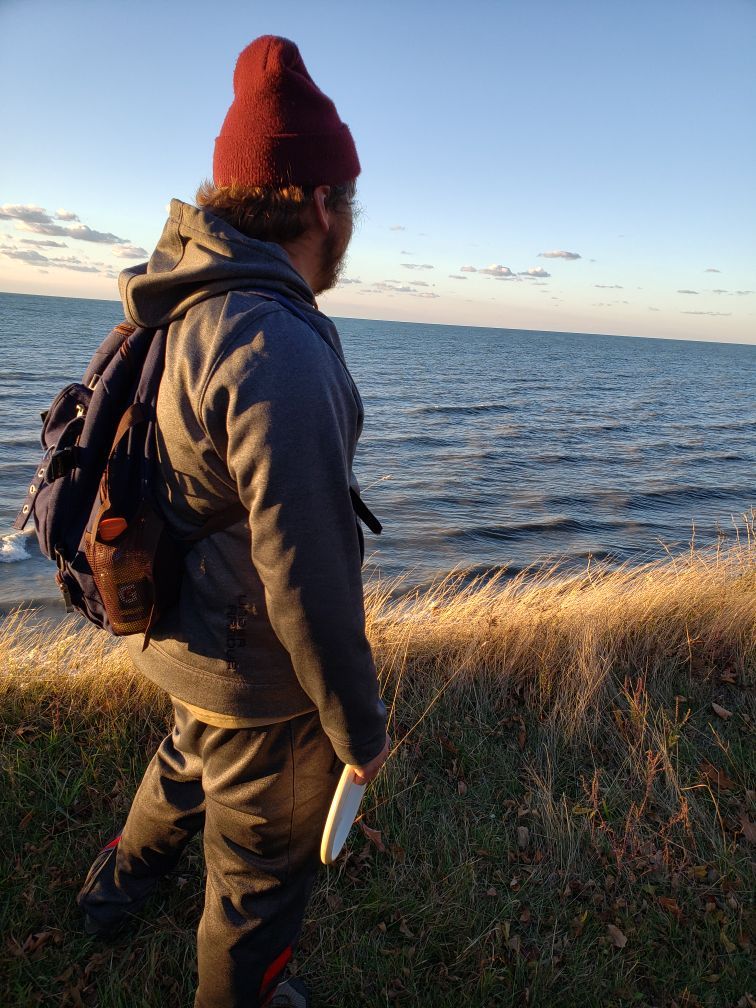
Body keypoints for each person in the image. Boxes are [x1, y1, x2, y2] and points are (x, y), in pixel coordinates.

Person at [76, 35, 390, 1008]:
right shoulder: (279, 351)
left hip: (171, 627)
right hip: (257, 676)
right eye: (350, 205)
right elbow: (312, 587)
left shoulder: (177, 305)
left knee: (184, 755)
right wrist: (359, 732)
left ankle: (118, 887)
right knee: (256, 886)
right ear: (319, 204)